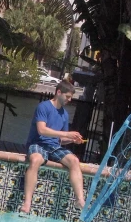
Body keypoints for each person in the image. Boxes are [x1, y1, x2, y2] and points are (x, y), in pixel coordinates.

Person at [21, 80, 85, 214]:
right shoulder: (43, 107)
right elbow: (42, 130)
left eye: (71, 97)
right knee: (36, 160)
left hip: (54, 146)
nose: (69, 99)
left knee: (74, 161)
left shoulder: (64, 114)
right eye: (67, 96)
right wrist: (66, 133)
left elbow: (61, 139)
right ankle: (27, 202)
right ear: (59, 92)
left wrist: (72, 140)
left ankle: (80, 199)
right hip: (38, 143)